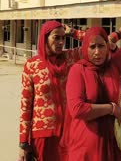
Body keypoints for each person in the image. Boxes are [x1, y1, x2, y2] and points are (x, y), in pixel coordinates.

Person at [63, 0, 121, 161]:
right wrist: (110, 108)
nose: (97, 52)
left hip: (109, 144)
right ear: (85, 48)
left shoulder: (113, 66)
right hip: (84, 148)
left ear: (108, 47)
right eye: (92, 46)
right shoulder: (78, 70)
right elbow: (77, 109)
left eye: (101, 46)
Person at [18, 21, 84, 161]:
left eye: (63, 38)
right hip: (43, 137)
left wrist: (73, 32)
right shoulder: (32, 65)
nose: (61, 42)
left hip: (69, 134)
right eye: (56, 37)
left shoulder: (70, 58)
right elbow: (26, 105)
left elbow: (95, 41)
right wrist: (23, 142)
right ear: (45, 38)